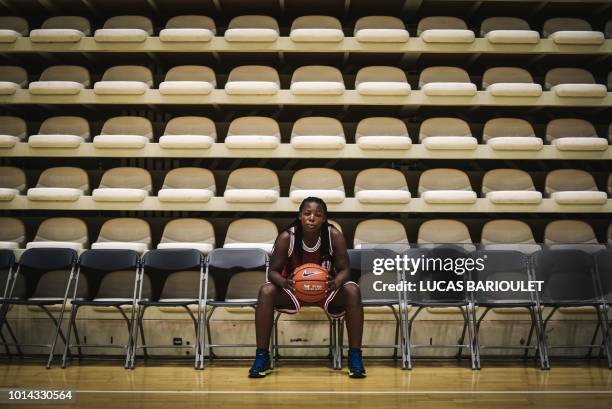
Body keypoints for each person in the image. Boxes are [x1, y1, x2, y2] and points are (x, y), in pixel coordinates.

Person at [248, 196, 366, 379]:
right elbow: (272, 272)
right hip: (295, 290)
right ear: (300, 216)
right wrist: (284, 283)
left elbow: (345, 270)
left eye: (318, 215)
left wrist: (336, 282)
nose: (312, 218)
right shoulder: (288, 237)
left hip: (326, 291)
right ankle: (262, 356)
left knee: (353, 290)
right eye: (307, 213)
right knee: (266, 291)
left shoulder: (333, 235)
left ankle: (355, 357)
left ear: (324, 218)